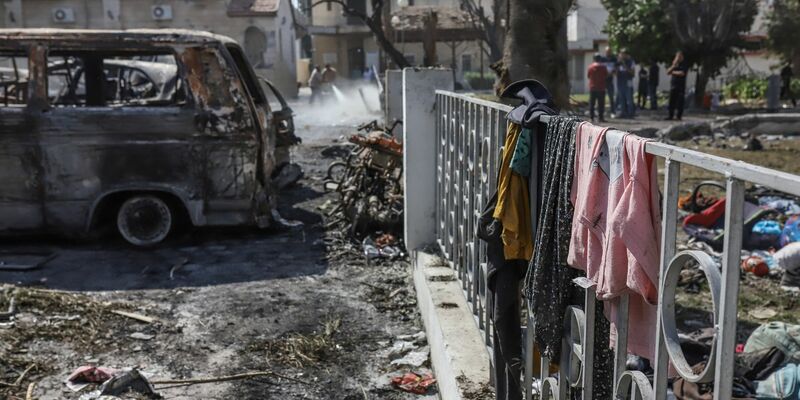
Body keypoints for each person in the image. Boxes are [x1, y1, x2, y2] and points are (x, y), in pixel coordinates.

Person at [666, 51, 689, 120]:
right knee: (671, 101)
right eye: (677, 56)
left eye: (679, 56)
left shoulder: (684, 64)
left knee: (680, 102)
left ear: (682, 57)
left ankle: (679, 116)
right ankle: (670, 115)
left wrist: (672, 72)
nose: (678, 58)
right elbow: (668, 72)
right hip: (673, 85)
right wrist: (673, 66)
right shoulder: (675, 65)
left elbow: (682, 73)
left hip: (681, 86)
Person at [587, 53, 609, 122]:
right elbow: (606, 75)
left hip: (593, 87)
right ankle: (600, 118)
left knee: (592, 103)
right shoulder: (603, 67)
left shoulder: (590, 67)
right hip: (601, 87)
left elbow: (588, 76)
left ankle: (591, 117)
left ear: (594, 59)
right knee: (601, 104)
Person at [615, 50, 636, 118]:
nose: (621, 56)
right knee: (621, 99)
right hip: (620, 83)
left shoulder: (630, 62)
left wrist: (624, 65)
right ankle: (623, 113)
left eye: (623, 54)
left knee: (629, 99)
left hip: (628, 82)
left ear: (626, 55)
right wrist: (617, 66)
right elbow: (616, 73)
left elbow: (633, 73)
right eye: (620, 54)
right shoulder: (618, 63)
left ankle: (631, 113)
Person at [603, 47, 617, 115]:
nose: (608, 52)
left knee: (611, 96)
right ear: (605, 52)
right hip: (603, 81)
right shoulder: (603, 59)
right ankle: (602, 111)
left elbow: (615, 69)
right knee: (602, 97)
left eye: (609, 51)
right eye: (607, 51)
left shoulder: (614, 59)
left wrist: (611, 73)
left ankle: (613, 111)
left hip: (610, 81)